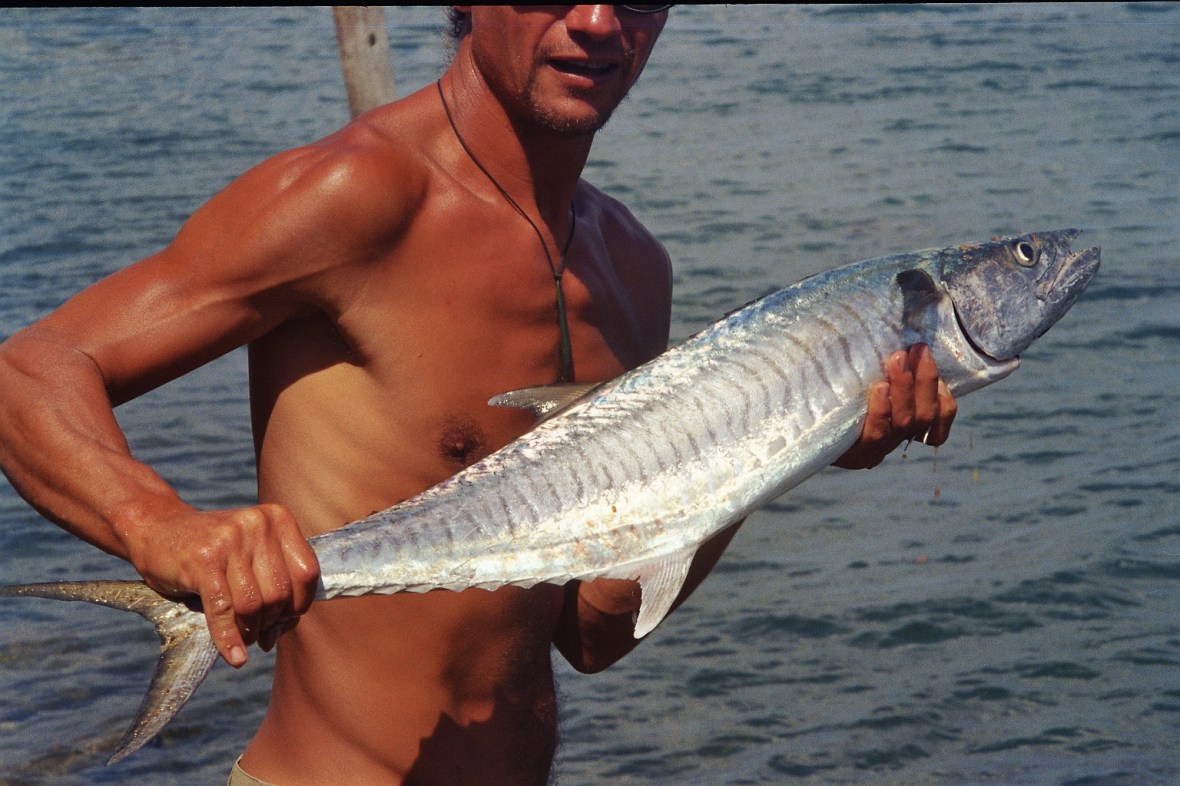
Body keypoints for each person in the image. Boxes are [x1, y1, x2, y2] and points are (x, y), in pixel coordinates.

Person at [0, 7, 955, 785]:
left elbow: (593, 633)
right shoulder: (359, 196)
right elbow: (29, 369)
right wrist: (161, 527)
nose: (596, 23)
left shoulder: (632, 269)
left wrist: (789, 439)